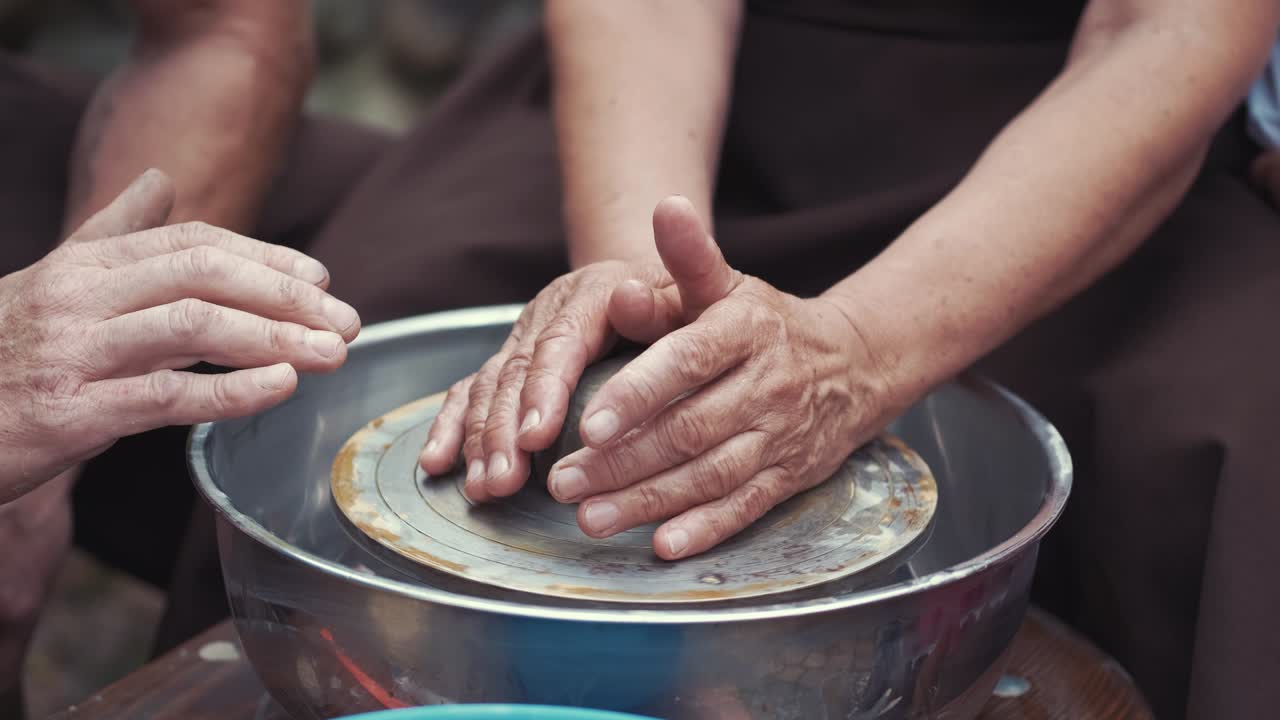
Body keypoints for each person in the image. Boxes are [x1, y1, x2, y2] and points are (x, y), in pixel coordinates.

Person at [4, 1, 1279, 719]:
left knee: (1235, 451)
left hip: (1077, 120)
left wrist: (861, 349)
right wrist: (637, 282)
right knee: (371, 336)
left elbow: (1160, 32)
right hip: (681, 88)